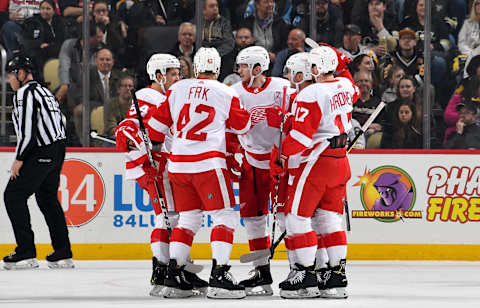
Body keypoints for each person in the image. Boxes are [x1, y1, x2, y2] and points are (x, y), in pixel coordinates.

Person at [147, 47, 251, 299]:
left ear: (194, 68)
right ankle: (220, 274)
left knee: (188, 219)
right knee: (224, 217)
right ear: (217, 69)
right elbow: (242, 125)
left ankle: (174, 275)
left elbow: (155, 130)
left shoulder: (176, 89)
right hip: (208, 164)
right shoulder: (226, 91)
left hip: (178, 166)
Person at [114, 53, 207, 296]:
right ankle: (165, 272)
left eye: (179, 73)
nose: (178, 78)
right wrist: (145, 155)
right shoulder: (149, 96)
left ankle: (175, 268)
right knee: (171, 217)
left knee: (175, 216)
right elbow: (129, 129)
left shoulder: (164, 96)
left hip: (162, 164)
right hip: (154, 165)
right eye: (173, 74)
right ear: (158, 76)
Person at [270, 45, 359, 298]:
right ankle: (336, 277)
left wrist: (280, 157)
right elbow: (355, 87)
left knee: (297, 218)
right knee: (330, 219)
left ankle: (305, 276)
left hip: (317, 161)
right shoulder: (343, 85)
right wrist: (341, 61)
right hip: (340, 160)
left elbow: (300, 137)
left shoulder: (311, 94)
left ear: (317, 68)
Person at [230, 45, 291, 296]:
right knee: (254, 219)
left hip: (279, 163)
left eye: (244, 66)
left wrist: (285, 122)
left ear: (258, 68)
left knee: (285, 218)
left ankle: (298, 268)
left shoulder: (283, 89)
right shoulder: (233, 91)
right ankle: (261, 273)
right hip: (251, 163)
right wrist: (231, 152)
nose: (239, 70)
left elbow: (299, 120)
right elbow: (228, 125)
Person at [2, 55, 73, 270]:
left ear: (22, 73)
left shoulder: (25, 94)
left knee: (13, 195)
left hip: (40, 150)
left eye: (12, 75)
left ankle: (25, 252)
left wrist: (19, 160)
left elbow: (28, 132)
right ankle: (63, 252)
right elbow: (61, 121)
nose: (10, 80)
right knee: (47, 198)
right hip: (57, 149)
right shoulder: (44, 91)